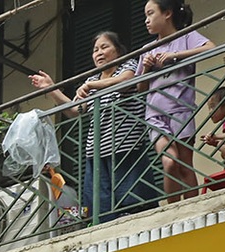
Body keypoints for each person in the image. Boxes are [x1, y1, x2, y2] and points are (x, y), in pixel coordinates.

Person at [29, 31, 155, 219]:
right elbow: (74, 110)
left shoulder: (127, 65)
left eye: (105, 47)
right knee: (99, 208)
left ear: (118, 50)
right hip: (96, 151)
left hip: (126, 145)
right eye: (95, 50)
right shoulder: (92, 80)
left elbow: (125, 82)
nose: (99, 53)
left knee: (132, 203)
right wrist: (51, 88)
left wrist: (92, 87)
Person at [135, 0, 214, 201]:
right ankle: (172, 212)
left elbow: (211, 48)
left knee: (185, 164)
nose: (146, 20)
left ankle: (192, 209)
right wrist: (146, 68)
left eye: (151, 13)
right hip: (155, 114)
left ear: (167, 13)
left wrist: (175, 55)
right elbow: (140, 88)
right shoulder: (147, 50)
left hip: (181, 109)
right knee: (170, 162)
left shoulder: (185, 37)